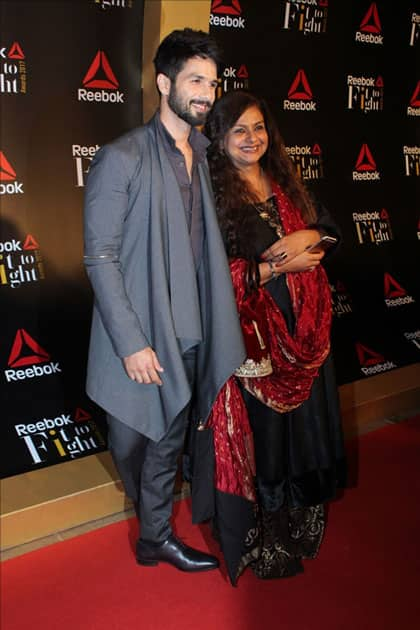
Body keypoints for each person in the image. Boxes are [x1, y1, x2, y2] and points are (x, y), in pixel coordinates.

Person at [83, 29, 245, 573]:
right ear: (163, 82)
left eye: (213, 82)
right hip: (144, 336)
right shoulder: (121, 157)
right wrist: (131, 343)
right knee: (132, 441)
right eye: (195, 79)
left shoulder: (202, 157)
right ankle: (151, 523)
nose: (206, 91)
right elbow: (100, 257)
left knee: (168, 442)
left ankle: (155, 538)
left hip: (193, 332)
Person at [191, 90, 347, 584]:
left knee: (307, 431)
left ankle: (304, 523)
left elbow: (329, 228)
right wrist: (277, 267)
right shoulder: (211, 198)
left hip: (308, 334)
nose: (252, 139)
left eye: (258, 128)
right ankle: (269, 539)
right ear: (219, 138)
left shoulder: (285, 181)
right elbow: (209, 277)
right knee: (269, 441)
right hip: (254, 344)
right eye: (239, 130)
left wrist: (308, 239)